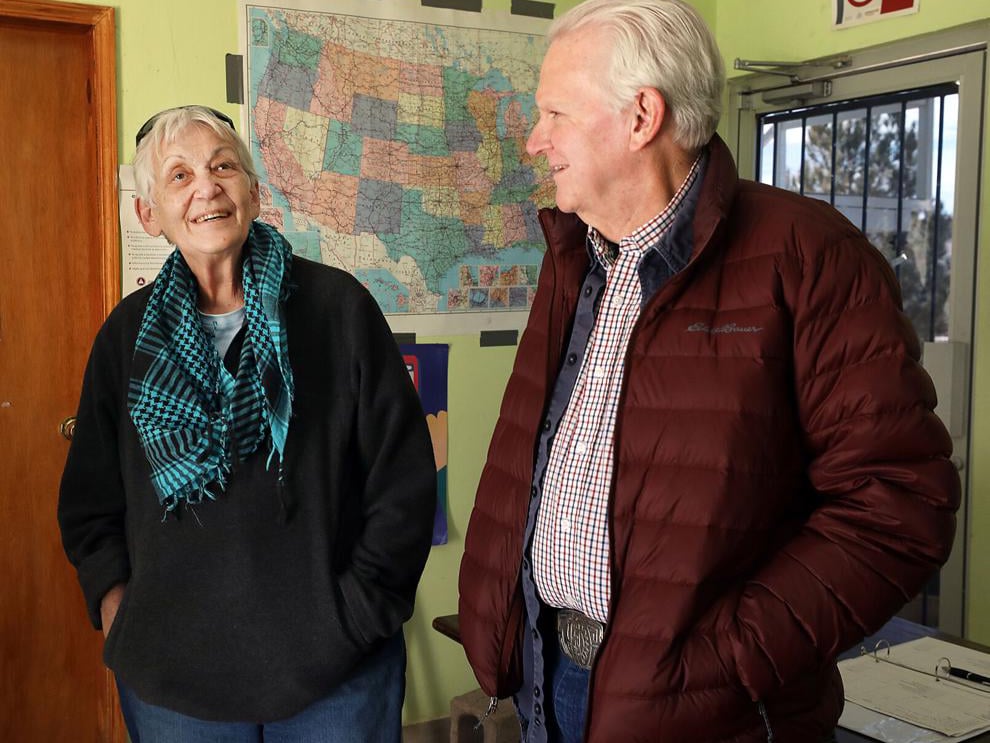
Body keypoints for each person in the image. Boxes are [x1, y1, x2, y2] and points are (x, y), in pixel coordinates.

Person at [457, 2, 961, 741]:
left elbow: (899, 506)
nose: (536, 141)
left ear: (640, 117)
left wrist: (726, 661)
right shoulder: (573, 257)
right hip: (545, 675)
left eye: (554, 114)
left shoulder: (808, 256)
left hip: (706, 711)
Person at [58, 105, 437, 741]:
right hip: (173, 676)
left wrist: (355, 615)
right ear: (148, 215)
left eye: (222, 166)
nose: (206, 187)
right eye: (178, 176)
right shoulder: (125, 339)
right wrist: (117, 604)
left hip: (338, 672)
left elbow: (402, 484)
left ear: (254, 193)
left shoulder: (338, 311)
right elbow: (90, 502)